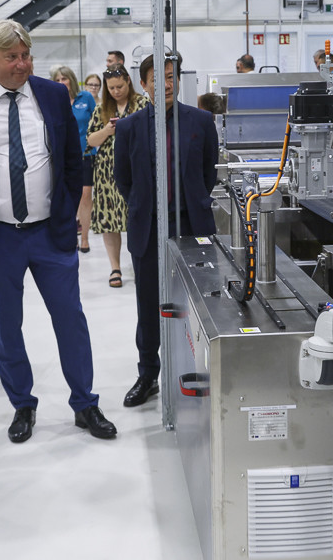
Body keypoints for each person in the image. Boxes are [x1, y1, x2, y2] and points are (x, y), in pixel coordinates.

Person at [0, 19, 117, 443]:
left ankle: (85, 403)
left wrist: (67, 210)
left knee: (70, 319)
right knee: (5, 326)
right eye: (12, 57)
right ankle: (22, 404)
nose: (22, 64)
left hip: (50, 233)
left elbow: (71, 158)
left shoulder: (52, 95)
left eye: (27, 55)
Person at [114, 52, 218, 407]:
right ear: (144, 84)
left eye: (172, 77)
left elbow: (208, 171)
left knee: (199, 303)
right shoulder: (129, 127)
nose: (166, 84)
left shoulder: (200, 121)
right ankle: (148, 375)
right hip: (149, 228)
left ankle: (200, 370)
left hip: (192, 226)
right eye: (157, 78)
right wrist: (146, 206)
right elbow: (123, 179)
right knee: (148, 306)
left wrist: (192, 202)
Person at [86, 62, 149, 288]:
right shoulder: (101, 109)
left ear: (128, 82)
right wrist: (107, 130)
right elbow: (90, 140)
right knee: (108, 221)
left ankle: (139, 264)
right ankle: (115, 267)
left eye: (119, 87)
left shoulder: (142, 105)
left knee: (136, 219)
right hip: (106, 174)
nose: (116, 91)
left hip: (136, 171)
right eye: (111, 88)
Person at [50, 64, 97, 253]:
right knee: (66, 197)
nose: (61, 82)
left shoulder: (85, 97)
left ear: (71, 80)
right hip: (61, 157)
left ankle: (84, 237)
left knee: (85, 195)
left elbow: (96, 120)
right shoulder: (53, 100)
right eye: (57, 80)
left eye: (64, 79)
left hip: (86, 154)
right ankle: (71, 236)